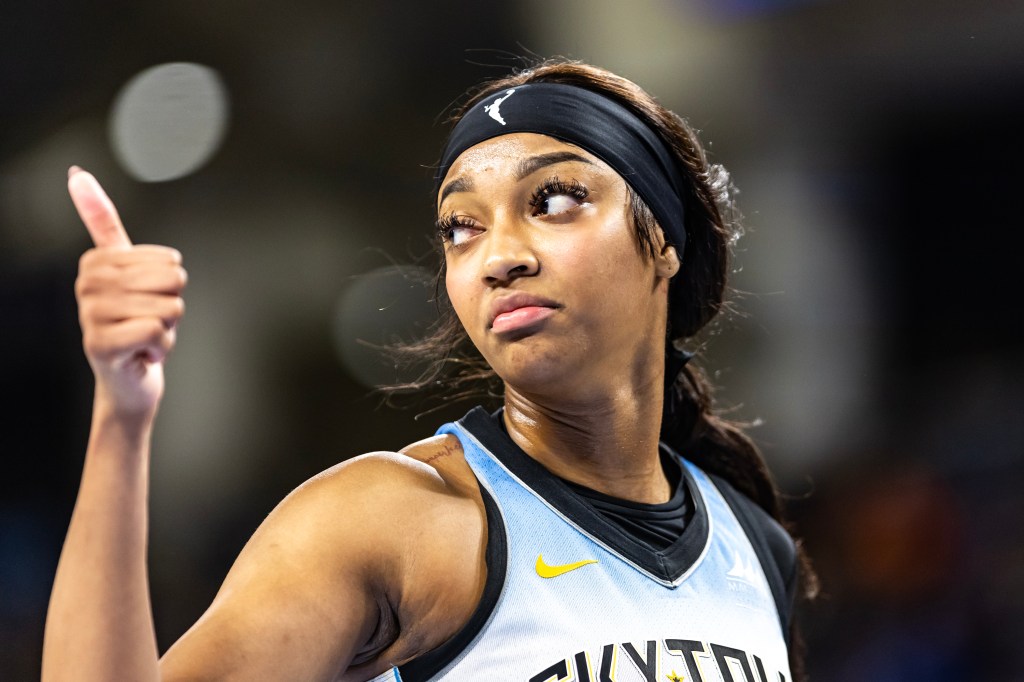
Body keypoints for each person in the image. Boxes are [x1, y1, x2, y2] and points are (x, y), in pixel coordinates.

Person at [43, 60, 814, 682]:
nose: (500, 256)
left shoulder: (753, 549)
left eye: (553, 199)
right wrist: (121, 413)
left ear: (663, 238)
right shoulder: (391, 522)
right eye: (461, 228)